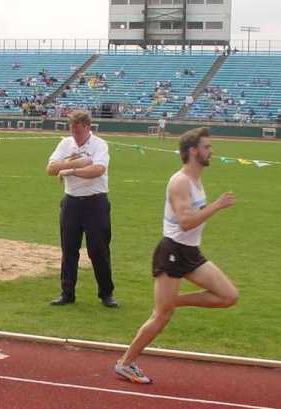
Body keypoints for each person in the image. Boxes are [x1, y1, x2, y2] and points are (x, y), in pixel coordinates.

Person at [115, 127, 238, 384]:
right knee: (161, 316)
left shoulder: (196, 179)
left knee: (228, 296)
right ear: (193, 151)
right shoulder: (180, 181)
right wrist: (216, 206)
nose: (211, 151)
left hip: (190, 252)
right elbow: (184, 222)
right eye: (207, 147)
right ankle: (125, 363)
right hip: (172, 250)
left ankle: (174, 300)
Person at [46, 110, 117, 308]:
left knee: (99, 250)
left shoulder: (99, 144)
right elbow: (50, 169)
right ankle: (67, 293)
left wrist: (70, 170)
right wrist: (77, 162)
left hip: (96, 203)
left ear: (87, 127)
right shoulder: (65, 143)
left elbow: (97, 170)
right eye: (72, 131)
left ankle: (106, 294)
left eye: (78, 131)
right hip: (71, 203)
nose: (75, 135)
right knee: (69, 250)